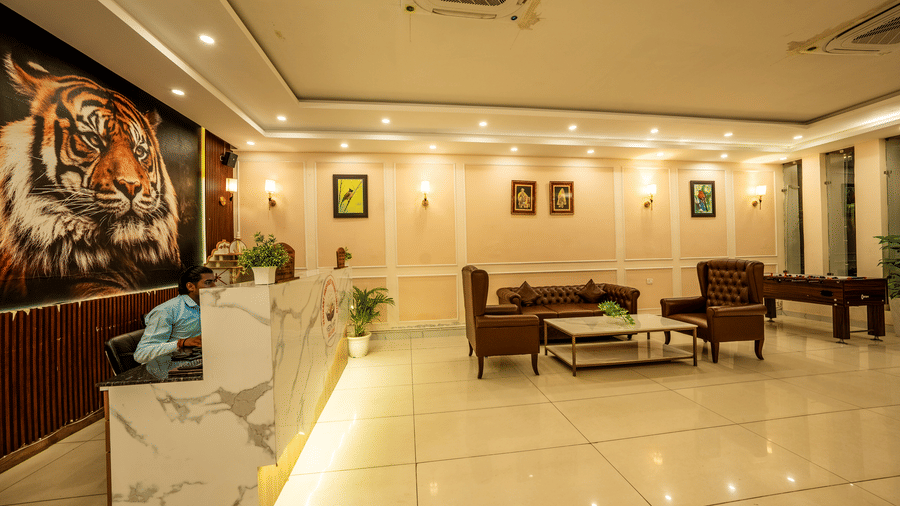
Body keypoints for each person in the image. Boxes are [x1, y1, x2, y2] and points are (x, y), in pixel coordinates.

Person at [134, 265, 216, 377]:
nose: (215, 287)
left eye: (214, 282)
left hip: (194, 366)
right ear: (190, 286)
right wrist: (181, 343)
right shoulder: (166, 310)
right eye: (208, 283)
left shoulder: (206, 306)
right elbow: (141, 354)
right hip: (166, 375)